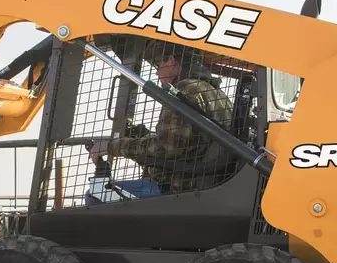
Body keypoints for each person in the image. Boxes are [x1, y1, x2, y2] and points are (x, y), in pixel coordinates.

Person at [88, 42, 234, 197]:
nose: (157, 74)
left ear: (171, 61)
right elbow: (187, 143)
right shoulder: (216, 94)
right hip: (203, 183)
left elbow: (166, 149)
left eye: (158, 66)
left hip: (176, 187)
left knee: (96, 194)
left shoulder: (185, 91)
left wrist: (112, 146)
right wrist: (145, 137)